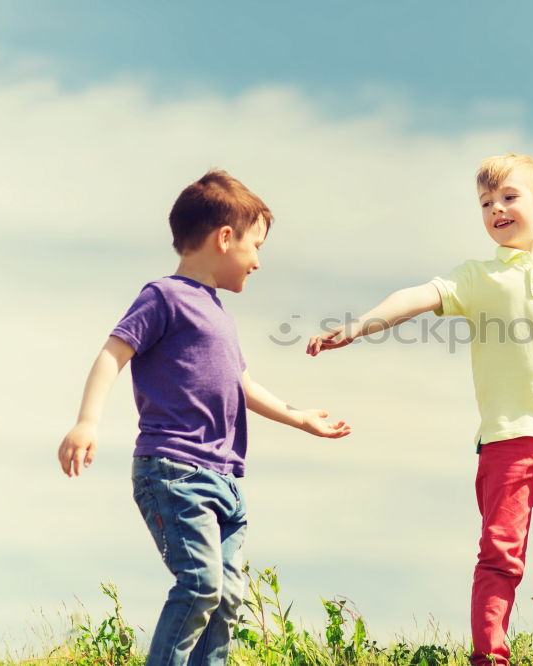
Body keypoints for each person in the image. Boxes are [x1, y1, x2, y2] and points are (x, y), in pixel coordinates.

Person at [307, 153, 533, 666]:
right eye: (486, 203)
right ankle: (489, 658)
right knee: (500, 557)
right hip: (506, 439)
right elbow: (418, 297)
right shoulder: (476, 276)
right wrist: (360, 324)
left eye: (509, 198)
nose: (496, 209)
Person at [57, 169, 351, 666]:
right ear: (225, 238)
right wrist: (88, 421)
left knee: (228, 598)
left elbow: (245, 386)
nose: (258, 262)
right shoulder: (163, 297)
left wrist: (300, 418)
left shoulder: (219, 314)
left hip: (227, 479)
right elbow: (113, 353)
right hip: (174, 472)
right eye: (256, 246)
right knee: (200, 586)